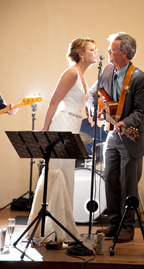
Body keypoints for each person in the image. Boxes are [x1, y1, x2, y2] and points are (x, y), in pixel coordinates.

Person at [27, 38, 98, 242]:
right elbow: (54, 102)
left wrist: (91, 117)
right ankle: (50, 230)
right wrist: (45, 129)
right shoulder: (72, 72)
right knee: (57, 173)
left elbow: (80, 103)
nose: (95, 53)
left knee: (67, 177)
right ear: (81, 54)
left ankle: (61, 228)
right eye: (92, 50)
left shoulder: (83, 75)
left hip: (73, 126)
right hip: (62, 125)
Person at [86, 32, 144, 243]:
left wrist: (125, 123)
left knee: (128, 184)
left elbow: (141, 111)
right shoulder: (106, 70)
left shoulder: (140, 78)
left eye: (112, 50)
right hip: (110, 136)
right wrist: (95, 108)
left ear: (124, 53)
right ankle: (114, 223)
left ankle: (128, 227)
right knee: (111, 181)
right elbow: (93, 94)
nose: (108, 53)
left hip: (132, 138)